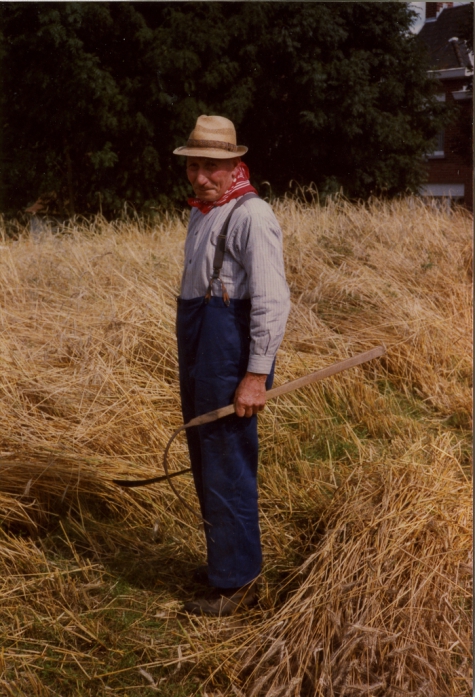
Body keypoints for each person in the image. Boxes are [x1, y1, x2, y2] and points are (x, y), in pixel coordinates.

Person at [173, 115, 290, 616]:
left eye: (213, 167)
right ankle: (225, 562)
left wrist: (255, 375)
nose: (202, 177)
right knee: (205, 454)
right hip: (199, 340)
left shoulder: (252, 215)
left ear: (234, 164)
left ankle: (239, 585)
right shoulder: (202, 213)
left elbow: (272, 301)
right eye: (194, 166)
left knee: (228, 461)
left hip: (229, 352)